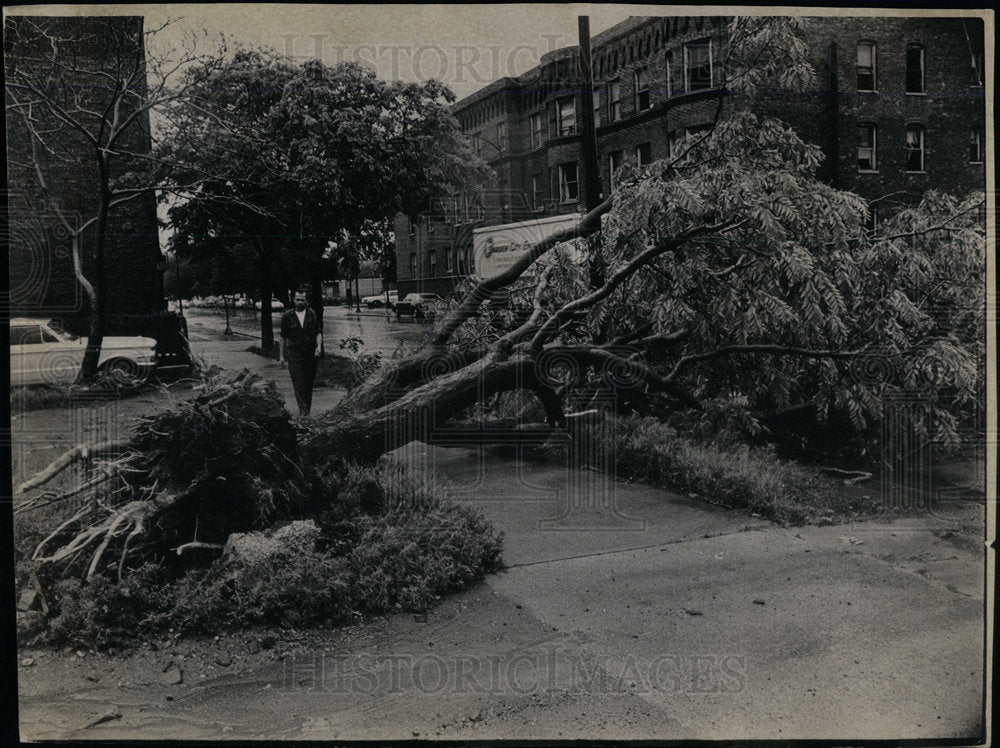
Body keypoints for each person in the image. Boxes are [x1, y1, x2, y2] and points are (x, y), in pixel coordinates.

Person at [278, 288, 323, 416]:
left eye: (302, 300)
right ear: (293, 300)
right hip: (294, 354)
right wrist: (281, 356)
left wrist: (319, 346)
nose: (300, 302)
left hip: (310, 354)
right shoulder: (288, 316)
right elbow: (282, 336)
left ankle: (306, 411)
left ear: (306, 301)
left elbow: (318, 332)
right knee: (299, 384)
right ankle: (303, 412)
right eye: (297, 299)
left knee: (308, 384)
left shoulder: (312, 314)